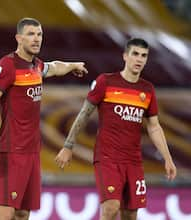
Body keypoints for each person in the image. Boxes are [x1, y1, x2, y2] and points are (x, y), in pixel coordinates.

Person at [55, 38, 177, 220]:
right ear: (125, 56)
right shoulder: (106, 82)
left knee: (130, 214)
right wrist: (68, 145)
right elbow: (84, 114)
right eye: (135, 54)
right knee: (111, 207)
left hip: (133, 161)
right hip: (108, 158)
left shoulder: (147, 90)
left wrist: (168, 158)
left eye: (144, 56)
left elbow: (154, 127)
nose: (139, 59)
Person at [0, 17, 88, 220]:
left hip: (32, 151)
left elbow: (54, 67)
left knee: (23, 213)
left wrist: (73, 65)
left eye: (39, 34)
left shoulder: (36, 66)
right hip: (12, 150)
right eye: (31, 34)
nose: (36, 39)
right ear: (19, 38)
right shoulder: (7, 65)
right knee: (4, 214)